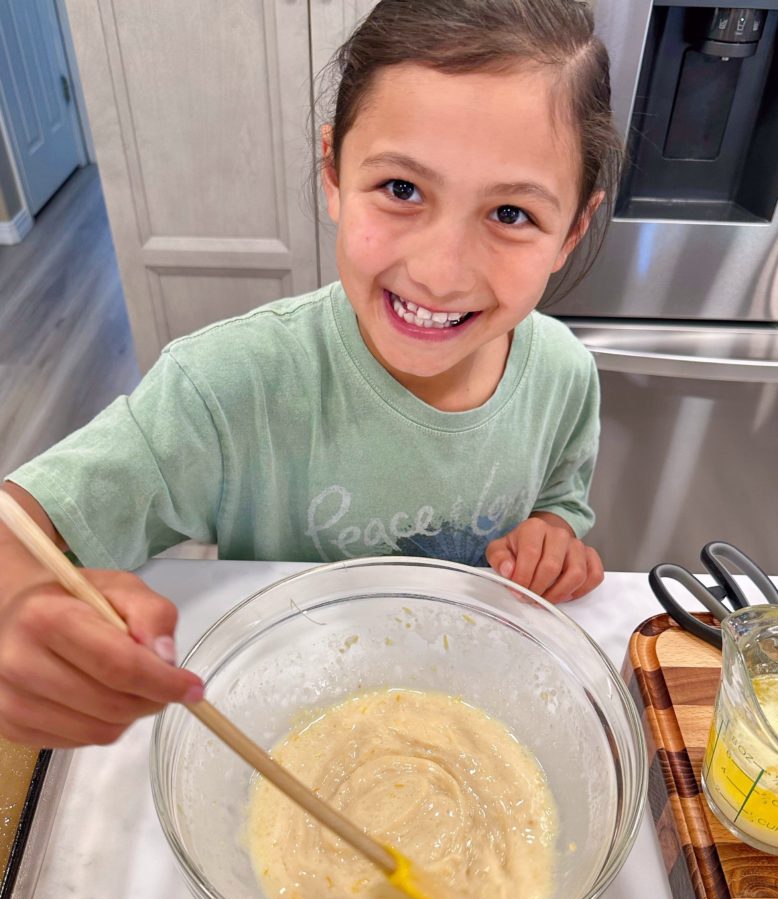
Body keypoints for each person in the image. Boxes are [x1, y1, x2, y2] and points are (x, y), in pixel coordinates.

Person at [0, 0, 622, 749]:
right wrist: (15, 606)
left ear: (571, 232)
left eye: (512, 214)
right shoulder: (229, 388)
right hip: (281, 725)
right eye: (401, 190)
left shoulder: (564, 376)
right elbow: (22, 523)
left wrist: (553, 533)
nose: (439, 271)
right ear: (333, 172)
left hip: (469, 707)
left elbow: (560, 500)